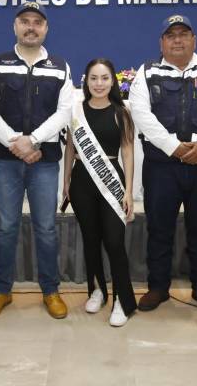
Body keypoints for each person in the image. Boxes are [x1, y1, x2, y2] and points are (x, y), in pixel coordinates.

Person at [0, 1, 73, 319]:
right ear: (15, 26)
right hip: (6, 160)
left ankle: (51, 290)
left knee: (46, 228)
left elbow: (64, 112)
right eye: (25, 21)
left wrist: (32, 140)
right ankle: (1, 290)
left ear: (46, 28)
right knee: (6, 228)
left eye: (38, 22)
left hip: (44, 160)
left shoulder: (60, 65)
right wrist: (15, 142)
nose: (31, 26)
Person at [128, 14, 197, 313]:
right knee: (159, 229)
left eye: (184, 34)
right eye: (171, 35)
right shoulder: (147, 72)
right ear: (162, 42)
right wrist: (174, 148)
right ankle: (158, 288)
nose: (178, 40)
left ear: (194, 39)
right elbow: (142, 116)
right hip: (162, 168)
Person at [63, 58, 138, 327]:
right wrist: (66, 182)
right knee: (90, 239)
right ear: (86, 81)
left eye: (104, 78)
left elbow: (128, 153)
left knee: (115, 242)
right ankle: (97, 290)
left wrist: (128, 191)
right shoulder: (76, 111)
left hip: (111, 182)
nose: (99, 83)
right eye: (93, 78)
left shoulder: (122, 111)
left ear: (113, 81)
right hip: (82, 180)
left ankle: (122, 300)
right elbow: (70, 149)